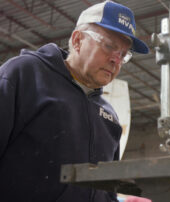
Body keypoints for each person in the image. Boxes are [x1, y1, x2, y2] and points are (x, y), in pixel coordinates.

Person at [0, 1, 148, 202]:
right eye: (109, 46)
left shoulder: (110, 119)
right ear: (78, 40)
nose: (117, 60)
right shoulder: (25, 76)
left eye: (123, 54)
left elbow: (107, 192)